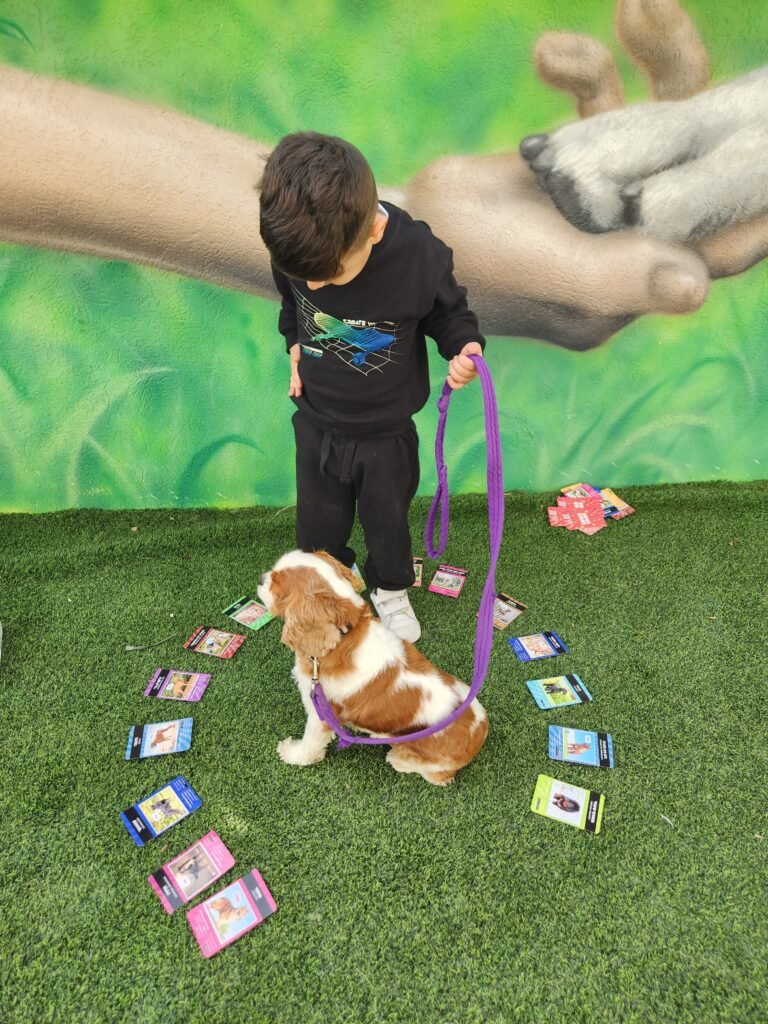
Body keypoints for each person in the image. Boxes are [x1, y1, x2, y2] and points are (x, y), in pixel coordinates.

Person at [259, 132, 484, 642]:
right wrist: (293, 343)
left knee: (388, 524)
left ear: (375, 231)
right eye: (304, 276)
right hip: (316, 419)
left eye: (329, 275)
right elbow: (292, 306)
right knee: (318, 527)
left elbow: (450, 315)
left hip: (386, 430)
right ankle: (330, 587)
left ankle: (389, 588)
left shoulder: (419, 256)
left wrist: (464, 348)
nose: (315, 287)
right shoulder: (296, 247)